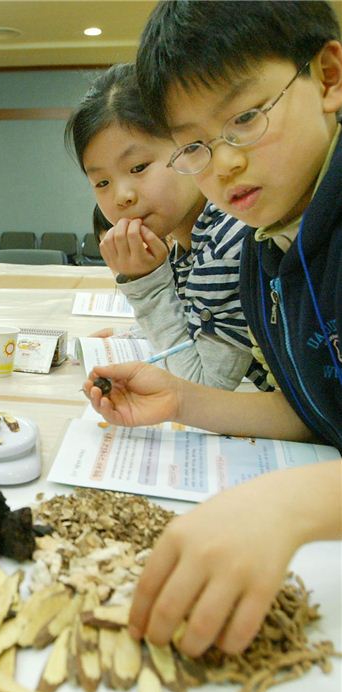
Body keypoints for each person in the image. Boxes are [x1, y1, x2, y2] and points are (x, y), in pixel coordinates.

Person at [85, 0, 342, 658]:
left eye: (246, 118)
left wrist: (289, 505)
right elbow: (320, 408)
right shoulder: (268, 248)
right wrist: (184, 398)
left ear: (331, 78)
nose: (222, 164)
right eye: (195, 144)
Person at [66, 63, 270, 391]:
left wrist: (147, 287)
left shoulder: (225, 242)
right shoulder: (184, 242)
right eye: (102, 181)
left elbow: (204, 391)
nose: (122, 196)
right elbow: (196, 330)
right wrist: (134, 335)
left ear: (189, 147)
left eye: (138, 167)